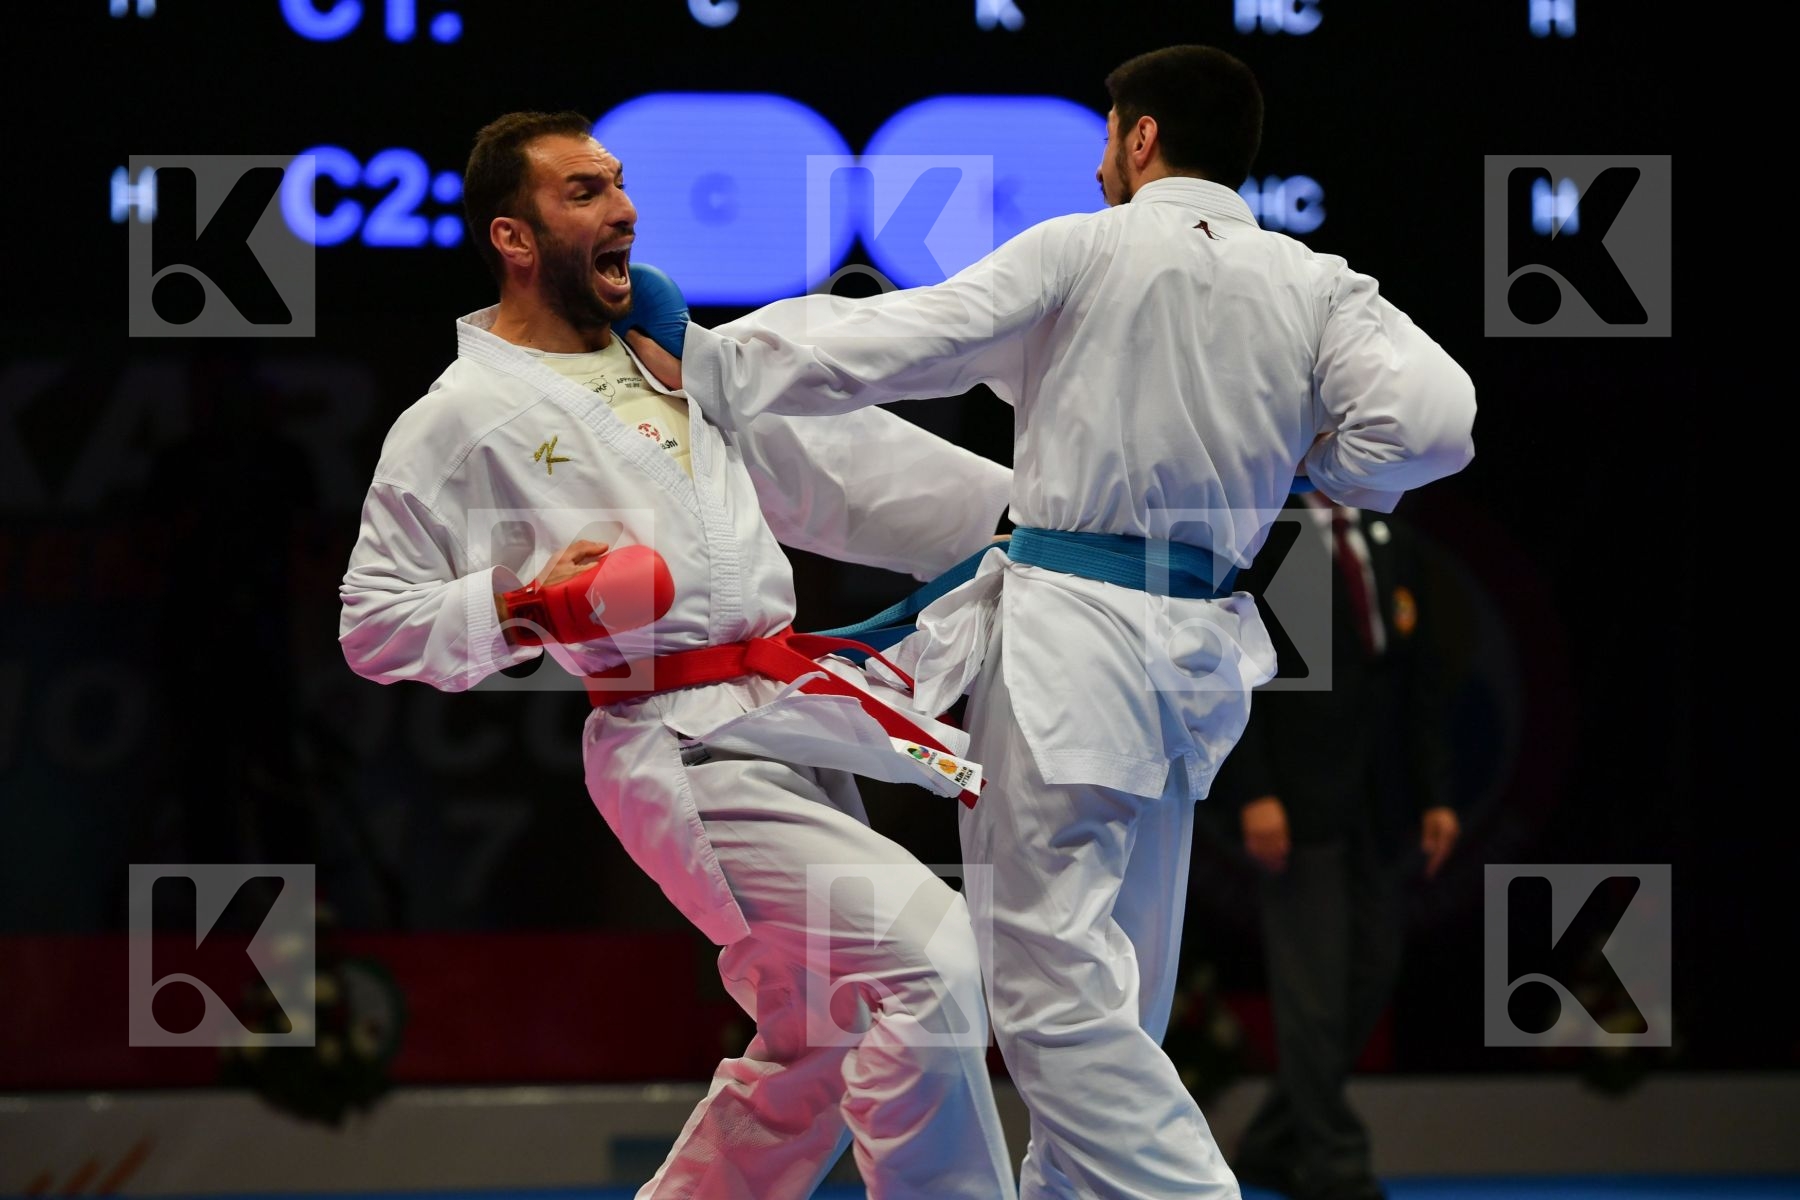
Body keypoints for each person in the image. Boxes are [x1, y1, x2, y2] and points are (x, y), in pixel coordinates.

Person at [632, 45, 1477, 1200]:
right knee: (1120, 981)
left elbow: (900, 341)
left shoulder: (1086, 248)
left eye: (1106, 139)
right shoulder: (1315, 283)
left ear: (1138, 138)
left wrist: (711, 359)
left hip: (1076, 637)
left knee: (1041, 987)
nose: (1095, 164)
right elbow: (1437, 425)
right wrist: (1328, 457)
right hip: (1196, 652)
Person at [338, 111, 1018, 1200]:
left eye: (618, 184)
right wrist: (525, 603)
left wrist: (1024, 519)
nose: (623, 209)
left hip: (783, 709)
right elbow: (372, 624)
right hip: (676, 739)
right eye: (584, 193)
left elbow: (835, 476)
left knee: (821, 1033)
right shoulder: (460, 417)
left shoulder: (665, 358)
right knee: (930, 962)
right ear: (513, 239)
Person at [1208, 491, 1461, 1200]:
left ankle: (1268, 1143)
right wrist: (1254, 792)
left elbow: (1417, 679)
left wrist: (1437, 793)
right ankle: (1333, 1163)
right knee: (1313, 991)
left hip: (1381, 804)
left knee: (1371, 974)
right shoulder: (1273, 537)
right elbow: (1240, 674)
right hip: (1296, 800)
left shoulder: (1390, 538)